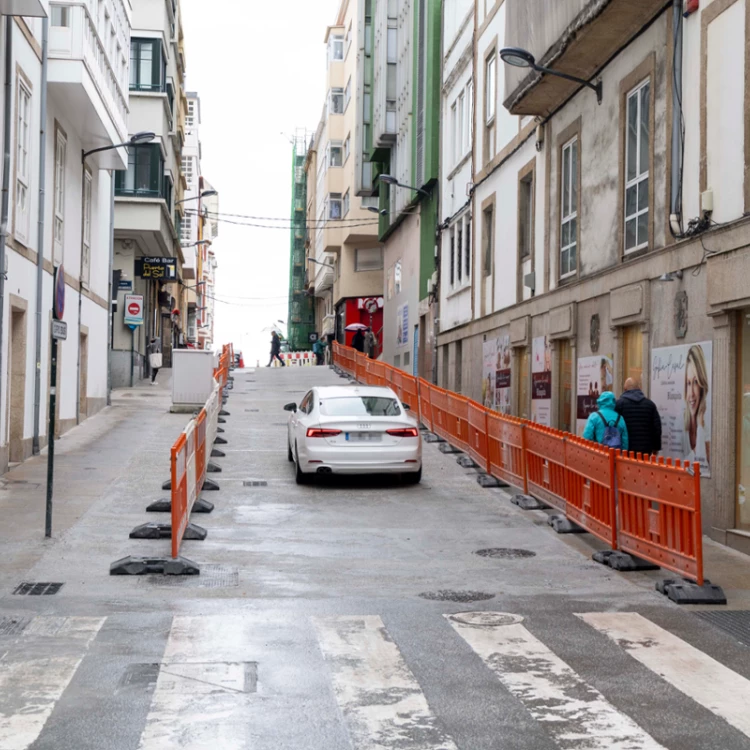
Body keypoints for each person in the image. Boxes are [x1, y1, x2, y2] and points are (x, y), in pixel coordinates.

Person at [616, 378, 662, 456]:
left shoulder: (619, 404)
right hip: (645, 449)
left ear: (625, 389)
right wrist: (656, 447)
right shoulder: (650, 405)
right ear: (639, 388)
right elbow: (657, 428)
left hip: (626, 450)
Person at [682, 344, 710, 469]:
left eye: (695, 382)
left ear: (702, 386)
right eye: (688, 383)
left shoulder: (708, 427)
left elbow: (702, 467)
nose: (691, 394)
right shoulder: (682, 422)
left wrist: (700, 426)